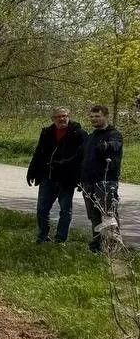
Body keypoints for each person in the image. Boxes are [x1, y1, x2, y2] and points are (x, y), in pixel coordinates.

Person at [26, 107, 87, 244]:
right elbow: (39, 152)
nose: (61, 119)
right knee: (42, 209)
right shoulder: (47, 132)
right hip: (47, 177)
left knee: (65, 211)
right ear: (53, 119)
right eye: (58, 116)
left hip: (66, 179)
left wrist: (81, 178)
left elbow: (83, 157)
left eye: (64, 116)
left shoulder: (79, 133)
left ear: (69, 116)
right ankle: (43, 236)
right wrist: (32, 171)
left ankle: (60, 239)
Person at [80, 103, 125, 253]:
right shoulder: (90, 137)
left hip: (105, 181)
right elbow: (82, 157)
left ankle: (113, 249)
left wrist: (106, 146)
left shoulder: (114, 134)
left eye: (97, 116)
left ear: (106, 116)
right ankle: (97, 247)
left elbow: (114, 146)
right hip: (88, 182)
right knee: (94, 217)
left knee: (108, 216)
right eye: (92, 116)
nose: (94, 119)